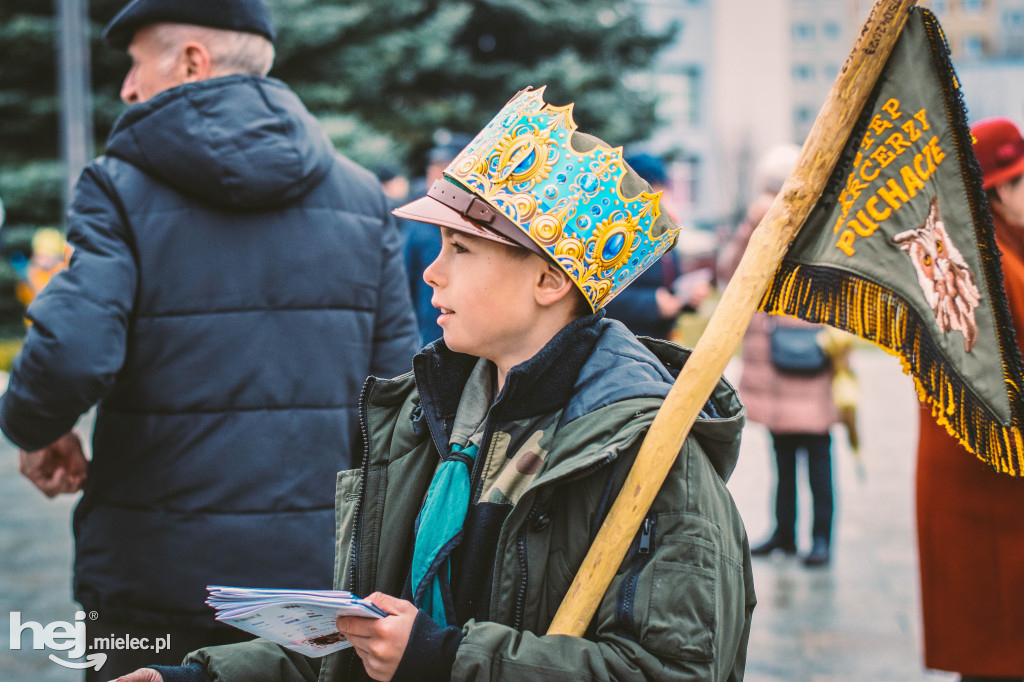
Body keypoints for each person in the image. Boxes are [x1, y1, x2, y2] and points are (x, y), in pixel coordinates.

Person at [116, 87, 756, 682]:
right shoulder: (431, 418)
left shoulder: (648, 456)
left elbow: (674, 670)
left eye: (461, 249)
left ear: (549, 281)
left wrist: (443, 659)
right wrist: (201, 677)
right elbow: (364, 635)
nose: (431, 272)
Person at [0, 0, 419, 677]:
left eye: (136, 64)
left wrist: (34, 426)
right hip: (308, 590)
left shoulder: (119, 187)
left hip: (152, 581)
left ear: (192, 60)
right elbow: (399, 393)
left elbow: (73, 349)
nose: (127, 89)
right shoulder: (362, 195)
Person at [915, 116, 1024, 682]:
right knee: (997, 650)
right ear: (1001, 187)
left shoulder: (1000, 248)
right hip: (988, 487)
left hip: (991, 482)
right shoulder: (984, 263)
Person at [719, 143, 841, 568]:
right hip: (793, 355)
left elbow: (729, 272)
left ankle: (814, 538)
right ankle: (791, 535)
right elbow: (732, 275)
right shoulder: (781, 223)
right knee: (791, 453)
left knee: (808, 453)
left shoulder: (816, 222)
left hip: (802, 353)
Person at [603, 153, 710, 339]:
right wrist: (652, 304)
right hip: (625, 344)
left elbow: (670, 286)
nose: (660, 198)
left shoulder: (662, 231)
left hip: (659, 342)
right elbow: (603, 295)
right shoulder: (615, 236)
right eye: (653, 190)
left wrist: (688, 299)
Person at [401, 134, 473, 346]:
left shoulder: (478, 222)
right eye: (433, 166)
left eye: (443, 166)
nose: (434, 173)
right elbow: (406, 276)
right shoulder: (417, 220)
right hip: (427, 332)